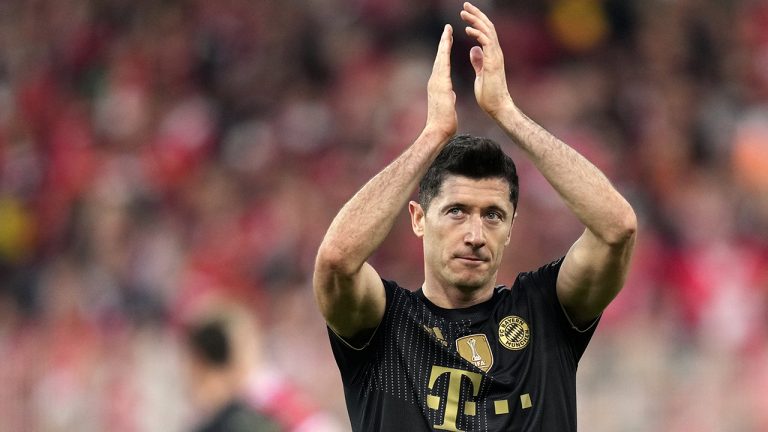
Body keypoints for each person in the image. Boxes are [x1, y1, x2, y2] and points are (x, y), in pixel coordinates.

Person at [313, 2, 636, 431]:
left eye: (493, 216)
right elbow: (336, 260)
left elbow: (618, 228)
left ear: (511, 227)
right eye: (456, 212)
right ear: (418, 218)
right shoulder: (384, 325)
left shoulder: (545, 313)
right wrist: (430, 138)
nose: (475, 234)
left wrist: (508, 114)